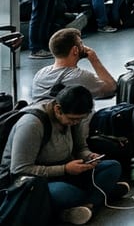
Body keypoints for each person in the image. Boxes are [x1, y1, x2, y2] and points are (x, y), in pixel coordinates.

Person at [1, 85, 126, 225]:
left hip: (67, 172)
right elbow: (19, 169)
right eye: (73, 119)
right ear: (58, 109)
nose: (76, 123)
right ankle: (101, 195)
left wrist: (89, 156)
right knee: (68, 193)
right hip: (37, 182)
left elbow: (80, 148)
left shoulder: (74, 118)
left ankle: (87, 206)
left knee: (112, 166)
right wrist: (65, 169)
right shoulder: (32, 124)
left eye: (80, 119)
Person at [31, 28, 117, 101]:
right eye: (81, 43)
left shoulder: (40, 74)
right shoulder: (80, 77)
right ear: (75, 50)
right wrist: (94, 59)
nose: (84, 46)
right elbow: (112, 88)